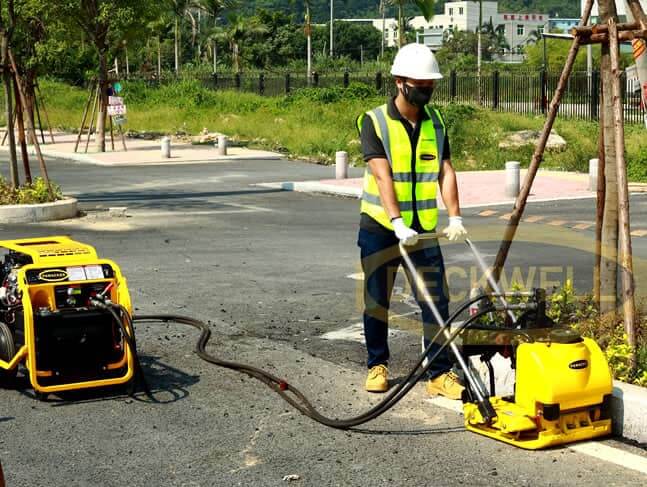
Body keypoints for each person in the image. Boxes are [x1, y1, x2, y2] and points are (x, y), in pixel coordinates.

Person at [356, 43, 467, 399]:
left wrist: (455, 215)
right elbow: (382, 174)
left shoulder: (437, 121)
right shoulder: (374, 121)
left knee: (436, 299)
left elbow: (445, 170)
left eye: (431, 84)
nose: (427, 89)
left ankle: (438, 372)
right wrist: (396, 221)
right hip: (381, 228)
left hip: (423, 229)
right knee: (378, 298)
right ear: (400, 81)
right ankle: (377, 365)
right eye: (421, 83)